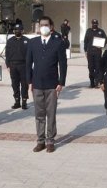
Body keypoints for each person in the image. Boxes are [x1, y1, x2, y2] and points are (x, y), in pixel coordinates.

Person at [26, 16, 67, 153]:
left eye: (46, 25)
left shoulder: (58, 43)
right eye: (41, 24)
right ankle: (40, 141)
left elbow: (63, 64)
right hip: (37, 84)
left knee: (51, 113)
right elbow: (28, 63)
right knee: (39, 113)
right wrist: (29, 81)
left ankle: (50, 141)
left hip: (52, 84)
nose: (43, 27)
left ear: (51, 27)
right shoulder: (33, 43)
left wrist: (61, 82)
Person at [5, 23, 30, 110]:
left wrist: (29, 66)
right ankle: (17, 101)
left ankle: (24, 102)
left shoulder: (27, 41)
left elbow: (30, 55)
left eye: (19, 30)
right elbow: (7, 54)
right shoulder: (10, 40)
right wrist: (8, 65)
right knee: (14, 84)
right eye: (15, 30)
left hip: (24, 65)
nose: (17, 31)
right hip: (13, 65)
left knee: (24, 84)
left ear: (22, 31)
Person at [83, 19, 107, 88]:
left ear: (97, 24)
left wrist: (101, 45)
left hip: (97, 52)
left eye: (96, 24)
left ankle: (97, 82)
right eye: (93, 23)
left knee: (98, 67)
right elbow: (85, 41)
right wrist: (85, 51)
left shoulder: (101, 31)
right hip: (90, 52)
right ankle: (92, 82)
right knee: (90, 67)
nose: (95, 25)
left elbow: (106, 39)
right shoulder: (88, 31)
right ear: (91, 24)